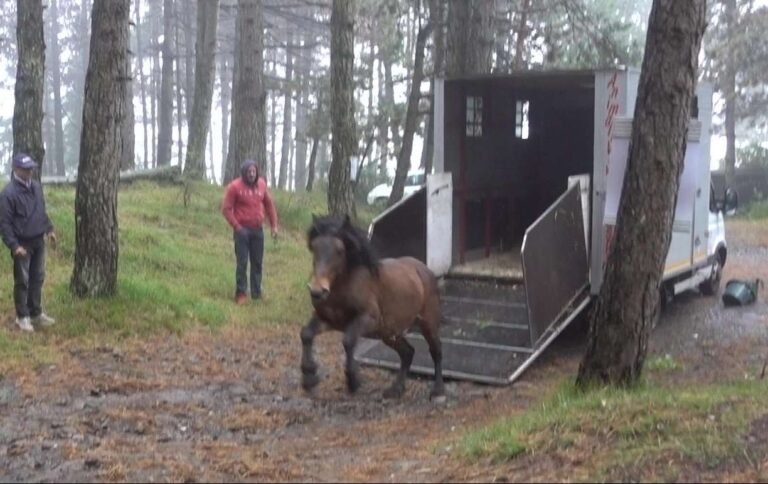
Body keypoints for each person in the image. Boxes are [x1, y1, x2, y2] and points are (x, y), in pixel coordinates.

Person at [0, 153, 57, 332]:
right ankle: (22, 316)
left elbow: (41, 211)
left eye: (31, 168)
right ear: (17, 170)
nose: (30, 171)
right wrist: (14, 246)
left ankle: (35, 313)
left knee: (37, 278)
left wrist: (49, 229)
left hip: (38, 240)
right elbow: (4, 223)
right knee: (22, 281)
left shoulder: (36, 187)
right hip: (22, 244)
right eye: (26, 169)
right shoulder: (8, 194)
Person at [221, 159, 279, 304]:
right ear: (244, 173)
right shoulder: (234, 187)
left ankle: (256, 293)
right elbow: (226, 209)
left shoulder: (262, 184)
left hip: (257, 230)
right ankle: (241, 293)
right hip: (242, 231)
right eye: (249, 172)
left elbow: (269, 206)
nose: (252, 174)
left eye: (254, 171)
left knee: (257, 263)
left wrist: (274, 226)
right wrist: (237, 227)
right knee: (242, 262)